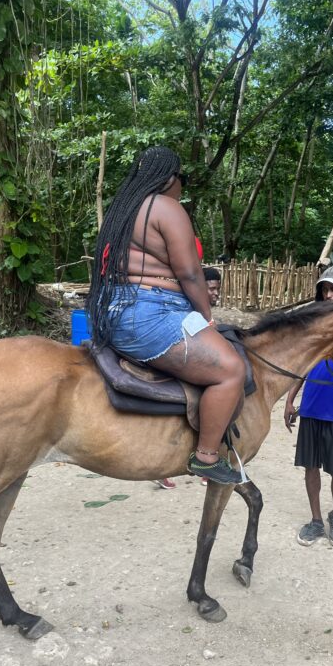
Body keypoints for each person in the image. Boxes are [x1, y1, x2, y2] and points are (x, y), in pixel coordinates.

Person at [88, 146, 245, 484]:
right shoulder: (166, 207)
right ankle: (205, 457)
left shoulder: (124, 210)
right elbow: (190, 274)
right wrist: (206, 318)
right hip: (150, 312)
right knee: (231, 369)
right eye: (182, 179)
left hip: (117, 310)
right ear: (169, 178)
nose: (183, 187)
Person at [284, 264, 333, 547]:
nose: (327, 295)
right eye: (324, 289)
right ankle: (315, 520)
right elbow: (303, 364)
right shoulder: (314, 323)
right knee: (310, 466)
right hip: (312, 404)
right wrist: (290, 400)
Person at [156, 264, 222, 490]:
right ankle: (205, 459)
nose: (215, 293)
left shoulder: (198, 311)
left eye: (217, 289)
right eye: (211, 288)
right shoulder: (191, 311)